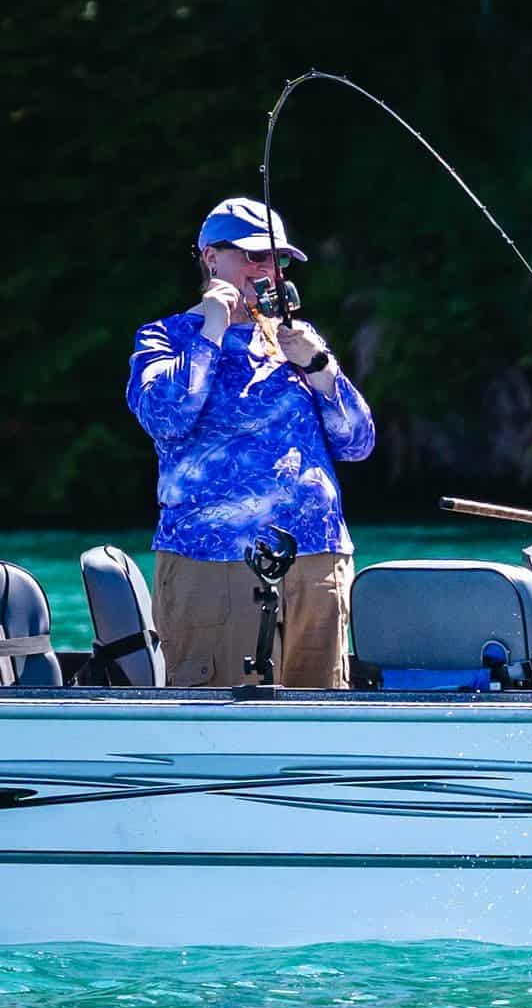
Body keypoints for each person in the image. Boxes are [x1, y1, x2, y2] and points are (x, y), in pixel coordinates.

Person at [126, 196, 375, 687]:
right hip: (213, 563)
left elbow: (358, 443)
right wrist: (212, 329)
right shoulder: (165, 337)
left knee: (322, 713)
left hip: (317, 561)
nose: (269, 270)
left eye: (279, 259)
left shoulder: (297, 339)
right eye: (255, 255)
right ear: (211, 258)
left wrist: (321, 367)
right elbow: (166, 417)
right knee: (222, 713)